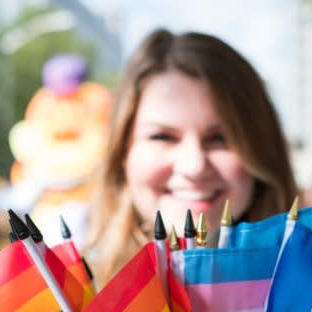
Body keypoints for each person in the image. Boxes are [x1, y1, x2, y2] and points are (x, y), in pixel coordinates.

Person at [84, 29, 297, 286]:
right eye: (163, 136)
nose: (194, 166)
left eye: (220, 138)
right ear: (122, 152)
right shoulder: (68, 301)